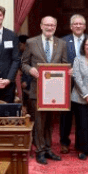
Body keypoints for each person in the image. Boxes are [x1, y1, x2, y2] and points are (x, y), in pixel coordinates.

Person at [22, 16, 69, 165]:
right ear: (41, 26)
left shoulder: (61, 44)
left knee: (50, 121)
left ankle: (48, 148)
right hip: (37, 90)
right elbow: (23, 63)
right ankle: (40, 150)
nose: (49, 28)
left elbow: (64, 64)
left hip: (55, 91)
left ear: (55, 27)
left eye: (52, 25)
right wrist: (31, 70)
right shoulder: (31, 42)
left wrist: (68, 72)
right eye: (47, 25)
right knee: (39, 121)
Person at [59, 14, 88, 154]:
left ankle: (81, 144)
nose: (78, 26)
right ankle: (64, 142)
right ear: (71, 26)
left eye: (80, 24)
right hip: (67, 84)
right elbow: (58, 60)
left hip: (86, 84)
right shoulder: (63, 42)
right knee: (65, 115)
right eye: (75, 24)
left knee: (82, 116)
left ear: (84, 26)